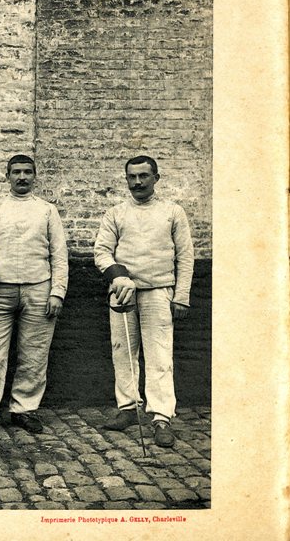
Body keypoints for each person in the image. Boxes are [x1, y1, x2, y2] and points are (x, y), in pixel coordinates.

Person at [93, 155, 194, 449]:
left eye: (143, 176)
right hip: (122, 291)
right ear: (126, 180)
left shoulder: (172, 212)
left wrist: (182, 296)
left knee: (159, 355)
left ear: (156, 178)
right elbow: (102, 251)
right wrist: (118, 276)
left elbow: (185, 256)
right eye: (132, 177)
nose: (137, 182)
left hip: (159, 291)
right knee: (122, 351)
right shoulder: (115, 213)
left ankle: (161, 417)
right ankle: (128, 408)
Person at [0, 154, 68, 434]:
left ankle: (24, 409)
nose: (22, 177)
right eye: (16, 172)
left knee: (34, 353)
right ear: (6, 175)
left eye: (27, 172)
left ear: (35, 176)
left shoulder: (47, 210)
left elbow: (59, 254)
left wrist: (57, 292)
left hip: (39, 288)